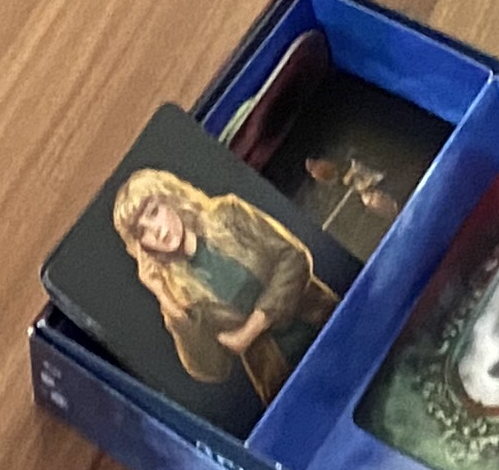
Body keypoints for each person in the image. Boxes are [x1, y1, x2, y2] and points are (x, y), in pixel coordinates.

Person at [111, 165, 335, 395]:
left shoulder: (228, 213)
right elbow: (213, 369)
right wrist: (166, 299)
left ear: (170, 198)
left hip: (325, 323)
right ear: (142, 247)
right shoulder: (178, 293)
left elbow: (294, 258)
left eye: (154, 212)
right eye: (143, 232)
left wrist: (251, 329)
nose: (156, 231)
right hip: (284, 380)